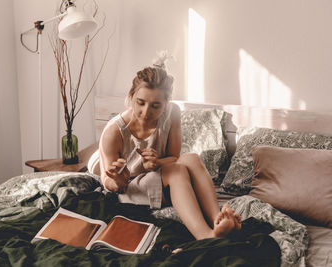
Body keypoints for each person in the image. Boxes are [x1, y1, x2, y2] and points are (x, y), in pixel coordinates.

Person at [98, 59, 241, 240]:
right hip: (129, 188)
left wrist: (156, 163)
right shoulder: (114, 131)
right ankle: (205, 236)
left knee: (191, 158)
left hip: (159, 176)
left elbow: (174, 156)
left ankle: (216, 219)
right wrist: (117, 179)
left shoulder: (172, 113)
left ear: (166, 103)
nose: (146, 111)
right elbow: (107, 183)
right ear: (131, 96)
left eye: (155, 105)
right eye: (140, 102)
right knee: (177, 171)